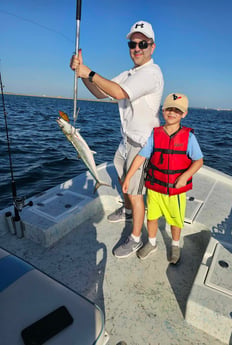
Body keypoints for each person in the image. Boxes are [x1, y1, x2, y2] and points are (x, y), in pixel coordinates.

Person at [70, 21, 164, 258]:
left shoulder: (152, 73)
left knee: (135, 191)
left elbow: (119, 92)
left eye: (143, 43)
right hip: (126, 140)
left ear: (152, 47)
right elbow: (101, 92)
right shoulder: (129, 73)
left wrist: (88, 72)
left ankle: (135, 238)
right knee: (123, 179)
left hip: (143, 144)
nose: (137, 48)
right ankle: (129, 211)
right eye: (133, 43)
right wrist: (82, 75)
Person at [122, 93, 203, 264]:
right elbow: (141, 156)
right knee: (151, 217)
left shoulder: (189, 137)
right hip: (154, 188)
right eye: (169, 109)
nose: (172, 113)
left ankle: (175, 245)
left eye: (177, 111)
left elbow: (198, 161)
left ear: (184, 114)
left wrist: (185, 176)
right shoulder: (155, 134)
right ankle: (152, 243)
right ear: (163, 110)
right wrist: (128, 177)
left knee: (175, 220)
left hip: (176, 191)